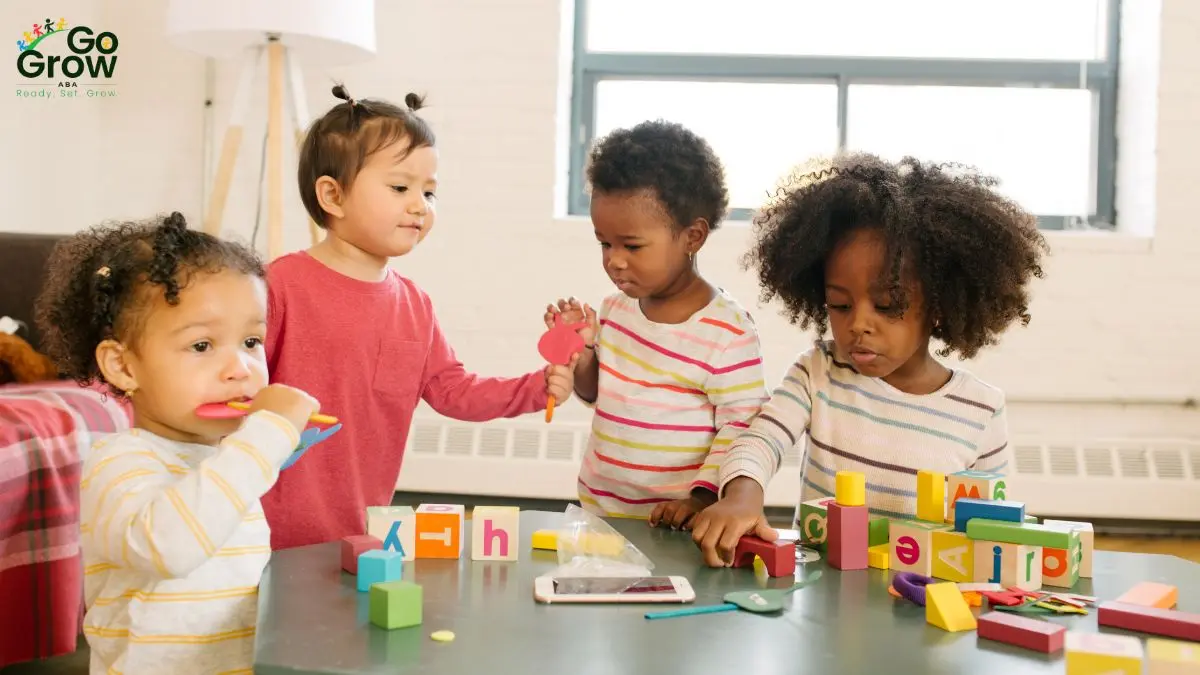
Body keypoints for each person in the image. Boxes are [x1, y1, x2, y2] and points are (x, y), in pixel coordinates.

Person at [690, 153, 1049, 567]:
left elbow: (990, 529)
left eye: (887, 304)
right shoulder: (819, 372)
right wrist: (742, 497)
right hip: (823, 597)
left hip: (918, 601)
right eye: (840, 305)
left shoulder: (981, 410)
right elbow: (760, 441)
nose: (858, 323)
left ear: (939, 305)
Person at [263, 85, 576, 549]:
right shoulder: (277, 285)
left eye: (430, 192)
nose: (419, 206)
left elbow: (453, 392)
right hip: (265, 530)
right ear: (332, 195)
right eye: (400, 187)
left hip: (359, 528)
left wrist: (536, 387)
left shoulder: (414, 305)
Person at [34, 213, 320, 674]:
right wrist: (264, 438)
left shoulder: (223, 460)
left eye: (251, 341)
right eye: (202, 346)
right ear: (124, 367)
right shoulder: (119, 462)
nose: (241, 368)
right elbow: (170, 547)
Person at [547, 120, 769, 525]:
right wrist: (582, 354)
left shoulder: (728, 332)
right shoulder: (616, 309)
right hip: (601, 512)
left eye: (632, 245)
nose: (614, 259)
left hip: (679, 523)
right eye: (605, 243)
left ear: (692, 237)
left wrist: (700, 502)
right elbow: (595, 392)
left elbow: (741, 428)